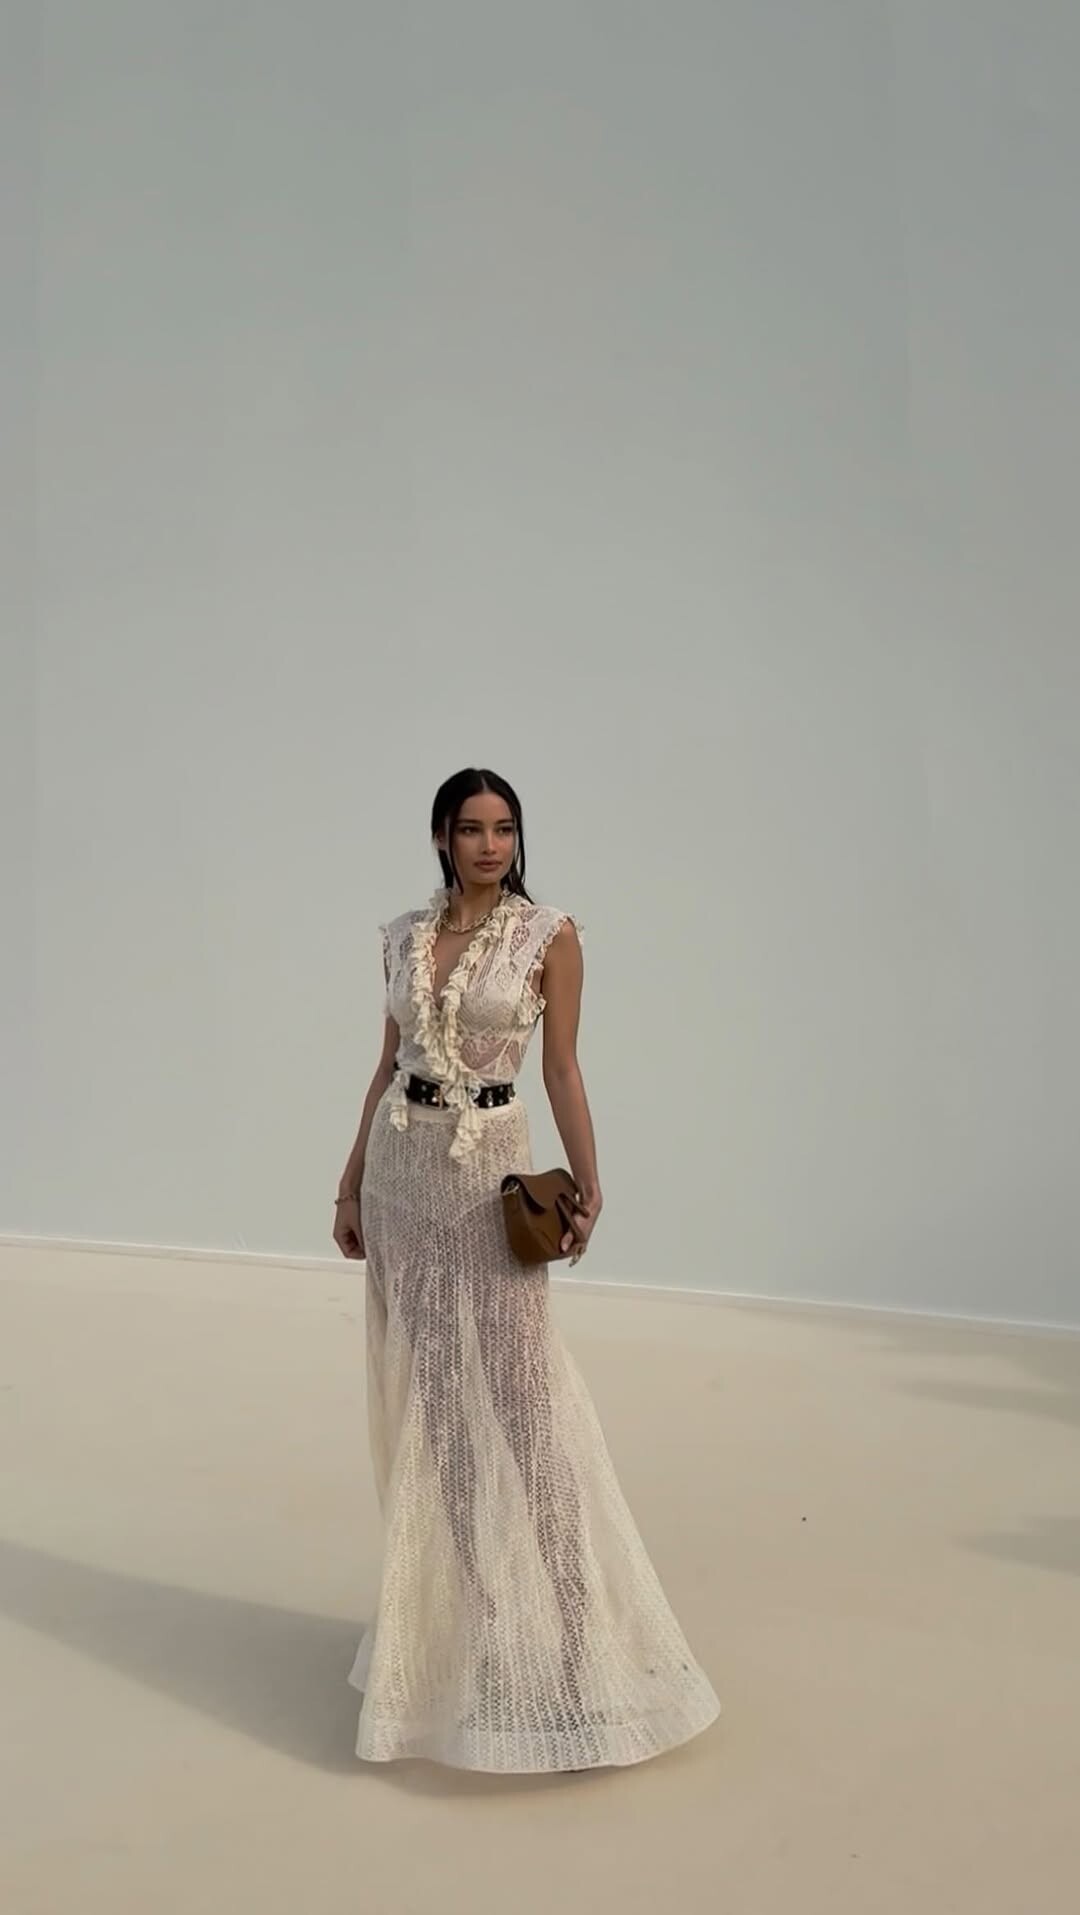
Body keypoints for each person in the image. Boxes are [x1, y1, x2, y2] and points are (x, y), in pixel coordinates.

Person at [333, 767, 720, 1772]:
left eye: (504, 828)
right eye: (471, 828)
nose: (490, 844)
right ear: (441, 836)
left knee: (527, 1409)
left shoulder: (549, 935)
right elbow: (386, 1064)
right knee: (440, 1413)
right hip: (402, 1177)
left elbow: (561, 1068)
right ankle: (487, 1626)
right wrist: (348, 1184)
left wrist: (591, 1181)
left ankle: (582, 1632)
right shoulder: (401, 937)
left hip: (489, 1175)